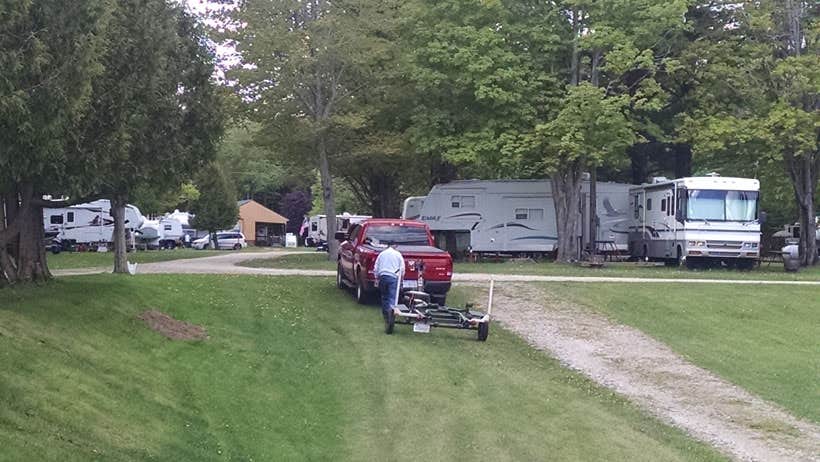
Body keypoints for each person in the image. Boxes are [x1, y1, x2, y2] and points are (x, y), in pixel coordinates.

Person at [374, 242, 405, 320]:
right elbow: (402, 268)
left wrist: (376, 278)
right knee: (392, 297)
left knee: (384, 296)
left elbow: (376, 267)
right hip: (393, 277)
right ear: (394, 246)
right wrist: (401, 279)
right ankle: (391, 315)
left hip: (383, 276)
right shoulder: (398, 254)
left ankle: (385, 314)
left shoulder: (382, 254)